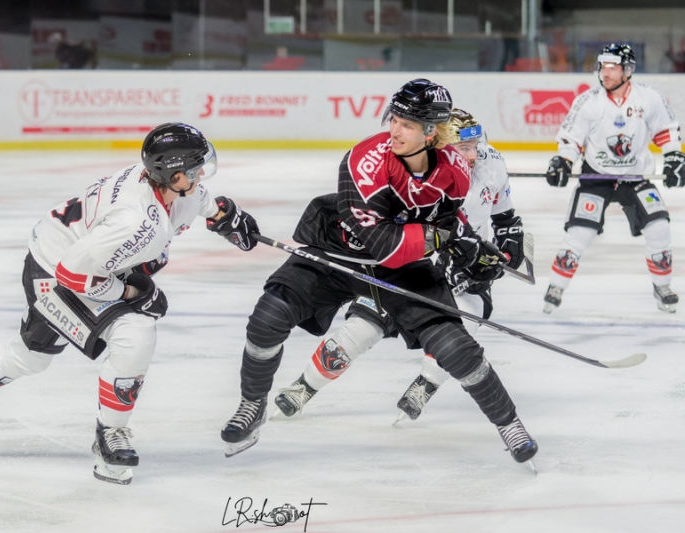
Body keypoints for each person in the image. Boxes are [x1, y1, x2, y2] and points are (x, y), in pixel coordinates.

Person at [0, 122, 259, 485]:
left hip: (68, 253)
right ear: (171, 174)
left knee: (33, 355)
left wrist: (224, 215)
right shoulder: (136, 222)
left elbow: (199, 199)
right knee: (135, 331)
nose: (201, 173)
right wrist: (133, 294)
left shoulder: (169, 188)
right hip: (56, 271)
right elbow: (73, 275)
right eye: (193, 168)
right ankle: (110, 433)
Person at [219, 79, 538, 465]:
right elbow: (386, 245)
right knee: (269, 316)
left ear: (431, 132)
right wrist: (448, 237)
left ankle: (510, 425)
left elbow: (447, 220)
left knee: (455, 346)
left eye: (407, 124)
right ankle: (252, 405)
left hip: (401, 267)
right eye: (394, 119)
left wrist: (471, 250)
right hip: (342, 251)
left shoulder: (455, 170)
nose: (394, 130)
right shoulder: (365, 161)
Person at [272, 108, 527, 424]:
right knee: (361, 327)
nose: (472, 155)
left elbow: (504, 214)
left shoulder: (491, 163)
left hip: (464, 267)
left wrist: (509, 237)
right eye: (463, 148)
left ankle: (424, 386)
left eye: (475, 145)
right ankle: (305, 386)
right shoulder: (409, 170)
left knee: (458, 334)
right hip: (410, 264)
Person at [544, 43, 685, 314]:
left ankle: (662, 286)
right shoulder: (588, 101)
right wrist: (563, 160)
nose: (604, 73)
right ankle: (556, 286)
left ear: (627, 70)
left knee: (659, 227)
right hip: (596, 177)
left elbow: (666, 131)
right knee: (579, 233)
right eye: (602, 66)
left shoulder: (649, 98)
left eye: (612, 67)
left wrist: (673, 158)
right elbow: (572, 138)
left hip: (635, 177)